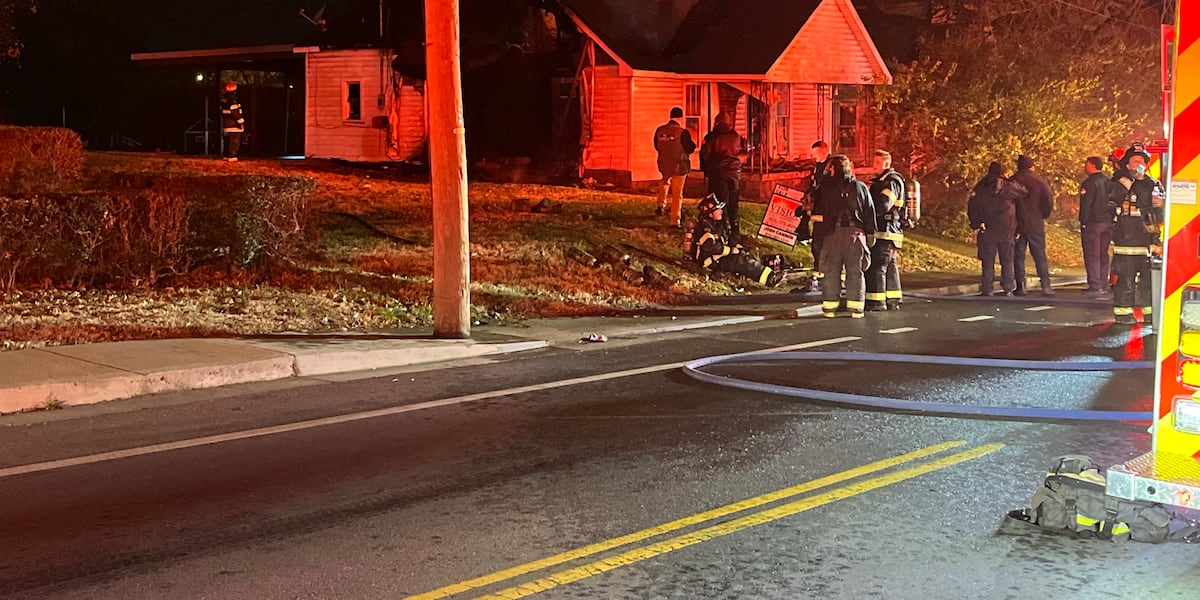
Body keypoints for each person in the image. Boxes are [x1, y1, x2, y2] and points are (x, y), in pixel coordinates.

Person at [813, 155, 876, 318]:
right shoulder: (861, 187)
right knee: (856, 272)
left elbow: (818, 213)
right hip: (856, 235)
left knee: (831, 271)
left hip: (832, 235)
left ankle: (829, 309)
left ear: (832, 169)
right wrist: (870, 234)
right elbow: (869, 211)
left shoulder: (825, 188)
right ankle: (856, 309)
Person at [1110, 149, 1164, 324]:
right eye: (1134, 161)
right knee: (1125, 278)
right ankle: (1123, 313)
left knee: (1148, 281)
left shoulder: (1153, 184)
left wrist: (1158, 207)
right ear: (1127, 165)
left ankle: (1150, 313)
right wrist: (1129, 180)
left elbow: (1161, 211)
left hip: (1147, 241)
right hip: (1125, 240)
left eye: (1141, 161)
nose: (1138, 164)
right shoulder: (1120, 182)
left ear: (1147, 165)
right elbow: (1111, 200)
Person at [691, 195, 783, 287]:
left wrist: (735, 247)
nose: (721, 211)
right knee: (739, 261)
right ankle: (770, 279)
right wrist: (731, 251)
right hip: (710, 262)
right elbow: (711, 248)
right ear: (710, 214)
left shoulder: (716, 225)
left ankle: (767, 275)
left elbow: (725, 241)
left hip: (719, 258)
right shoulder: (705, 228)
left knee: (745, 254)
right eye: (717, 210)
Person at [967, 162, 1025, 296]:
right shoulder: (1008, 186)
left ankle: (987, 288)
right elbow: (1024, 191)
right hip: (1006, 228)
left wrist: (975, 223)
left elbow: (972, 205)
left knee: (988, 260)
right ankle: (1008, 288)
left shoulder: (981, 186)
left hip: (987, 228)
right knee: (1007, 259)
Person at [865, 150, 907, 311]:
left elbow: (883, 205)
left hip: (886, 232)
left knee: (878, 266)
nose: (874, 166)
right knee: (889, 266)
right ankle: (893, 299)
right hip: (889, 232)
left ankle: (876, 302)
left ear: (886, 164)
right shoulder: (882, 181)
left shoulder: (891, 182)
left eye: (877, 163)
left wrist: (867, 212)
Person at [699, 112, 748, 243]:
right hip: (734, 174)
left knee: (718, 204)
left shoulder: (711, 137)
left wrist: (706, 170)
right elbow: (743, 151)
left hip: (718, 174)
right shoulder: (735, 136)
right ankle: (735, 232)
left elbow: (704, 155)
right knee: (733, 204)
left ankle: (722, 232)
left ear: (716, 122)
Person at [1011, 154, 1055, 295]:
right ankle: (1045, 285)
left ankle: (1020, 285)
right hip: (1035, 222)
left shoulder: (1013, 180)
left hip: (1017, 223)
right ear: (1031, 166)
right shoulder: (1040, 182)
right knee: (1039, 254)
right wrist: (1043, 215)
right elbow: (1048, 200)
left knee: (1018, 255)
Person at [653, 107, 696, 227]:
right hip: (679, 165)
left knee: (664, 183)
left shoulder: (659, 131)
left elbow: (656, 145)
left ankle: (660, 205)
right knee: (677, 194)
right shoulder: (682, 132)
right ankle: (674, 220)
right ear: (681, 118)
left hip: (664, 164)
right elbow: (690, 148)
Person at [1079, 156, 1115, 296]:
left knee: (1092, 254)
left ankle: (1095, 285)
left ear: (1093, 165)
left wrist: (1084, 222)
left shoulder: (1089, 183)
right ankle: (1103, 284)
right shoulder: (1108, 182)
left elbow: (1086, 204)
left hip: (1093, 223)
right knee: (1103, 254)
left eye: (1086, 164)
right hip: (1107, 222)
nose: (1085, 167)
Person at [802, 141, 832, 288]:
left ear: (823, 152)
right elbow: (814, 185)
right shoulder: (819, 166)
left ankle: (825, 274)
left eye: (814, 153)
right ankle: (820, 272)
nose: (812, 156)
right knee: (817, 243)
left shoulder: (831, 166)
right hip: (819, 209)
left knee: (824, 243)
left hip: (828, 211)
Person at [220, 82, 245, 162]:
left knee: (227, 141)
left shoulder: (224, 102)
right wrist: (241, 123)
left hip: (226, 125)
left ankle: (226, 155)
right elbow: (236, 114)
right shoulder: (233, 102)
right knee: (234, 142)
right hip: (234, 126)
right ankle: (232, 156)